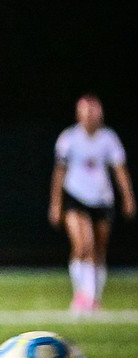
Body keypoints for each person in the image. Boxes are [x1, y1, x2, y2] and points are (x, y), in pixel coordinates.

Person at [48, 94, 135, 312]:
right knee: (82, 244)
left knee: (98, 249)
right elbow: (59, 173)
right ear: (78, 114)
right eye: (85, 112)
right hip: (75, 197)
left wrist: (128, 198)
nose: (89, 116)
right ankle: (82, 294)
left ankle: (94, 297)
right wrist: (55, 204)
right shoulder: (68, 138)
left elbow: (119, 170)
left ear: (100, 114)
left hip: (102, 199)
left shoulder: (109, 138)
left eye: (93, 111)